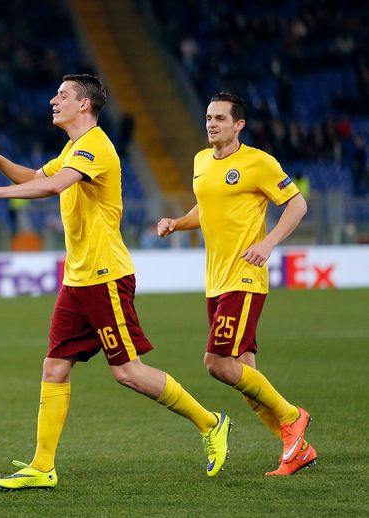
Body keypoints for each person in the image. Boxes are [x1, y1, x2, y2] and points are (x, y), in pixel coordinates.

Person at [0, 74, 231, 490]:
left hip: (105, 277)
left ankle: (211, 424)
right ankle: (43, 466)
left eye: (62, 95)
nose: (53, 100)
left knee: (128, 372)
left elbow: (53, 184)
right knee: (54, 366)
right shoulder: (73, 148)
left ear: (84, 105)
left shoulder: (96, 146)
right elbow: (34, 176)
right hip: (78, 279)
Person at [157, 92, 316, 476]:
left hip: (244, 277)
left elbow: (297, 204)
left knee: (216, 363)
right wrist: (177, 223)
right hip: (215, 280)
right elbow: (206, 207)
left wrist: (267, 243)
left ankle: (294, 417)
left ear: (238, 124)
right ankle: (297, 449)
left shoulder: (258, 162)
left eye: (220, 119)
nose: (211, 124)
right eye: (208, 118)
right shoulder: (200, 161)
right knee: (246, 373)